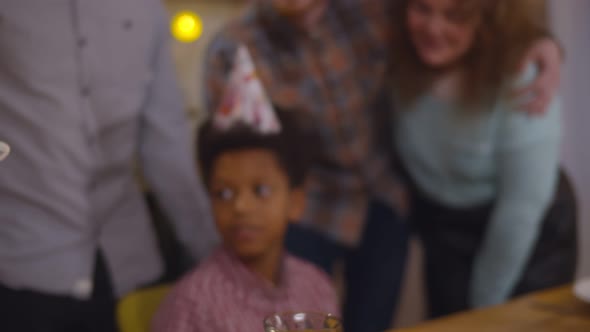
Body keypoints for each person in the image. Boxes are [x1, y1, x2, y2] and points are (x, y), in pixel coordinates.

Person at [203, 1, 563, 331]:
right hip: (309, 210)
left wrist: (545, 43)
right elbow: (235, 166)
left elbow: (474, 17)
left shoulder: (372, 12)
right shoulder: (235, 50)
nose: (434, 24)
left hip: (384, 202)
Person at [0, 1, 217, 331]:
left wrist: (215, 255)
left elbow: (165, 143)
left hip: (128, 260)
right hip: (26, 262)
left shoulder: (144, 9)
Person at [391, 0, 577, 318]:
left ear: (487, 17)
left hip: (527, 239)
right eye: (421, 8)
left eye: (455, 15)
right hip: (446, 233)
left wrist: (482, 307)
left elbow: (520, 210)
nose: (433, 28)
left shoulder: (522, 77)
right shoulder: (399, 62)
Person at [152, 47, 339, 332]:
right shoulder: (193, 306)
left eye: (261, 190)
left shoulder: (316, 288)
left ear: (296, 202)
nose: (240, 207)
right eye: (224, 194)